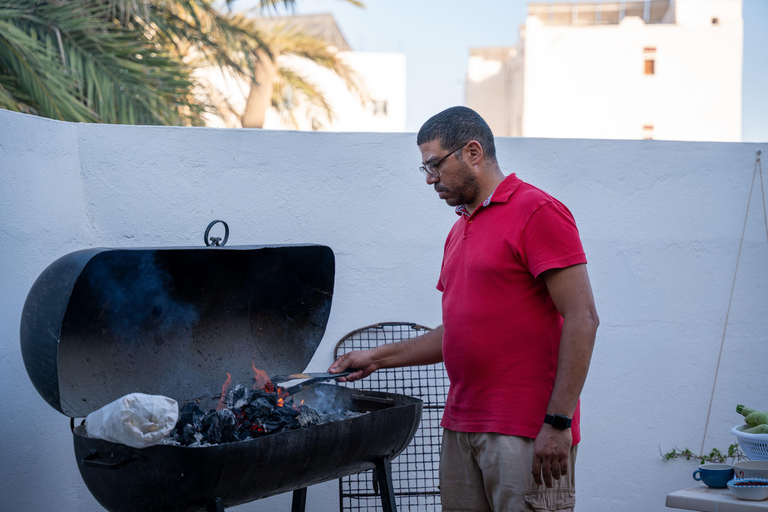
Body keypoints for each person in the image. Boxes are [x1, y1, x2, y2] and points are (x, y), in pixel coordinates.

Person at [329, 106, 599, 512]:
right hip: (462, 427)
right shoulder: (459, 230)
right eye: (424, 169)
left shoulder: (537, 211)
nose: (430, 179)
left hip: (526, 430)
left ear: (473, 152)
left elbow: (583, 318)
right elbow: (457, 332)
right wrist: (377, 358)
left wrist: (558, 423)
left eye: (435, 165)